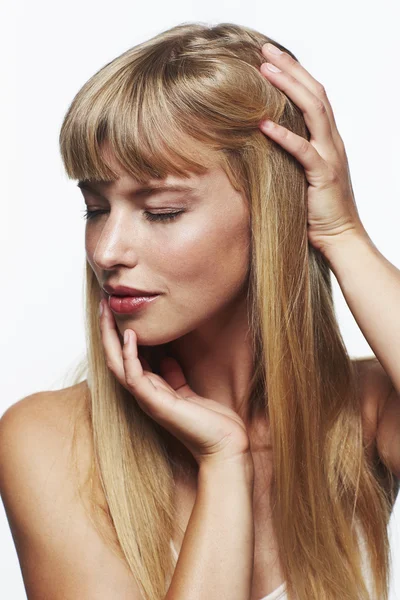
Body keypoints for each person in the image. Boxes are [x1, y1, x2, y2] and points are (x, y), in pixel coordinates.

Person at [1, 21, 399, 600]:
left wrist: (339, 230)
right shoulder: (49, 442)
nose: (107, 251)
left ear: (270, 212)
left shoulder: (361, 415)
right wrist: (223, 465)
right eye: (94, 208)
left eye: (160, 211)